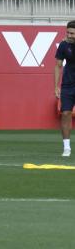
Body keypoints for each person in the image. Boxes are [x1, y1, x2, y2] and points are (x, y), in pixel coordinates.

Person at [54, 20, 75, 157]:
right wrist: (55, 86)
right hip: (67, 85)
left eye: (72, 33)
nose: (70, 35)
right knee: (66, 114)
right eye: (68, 32)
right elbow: (58, 65)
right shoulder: (63, 45)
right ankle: (66, 147)